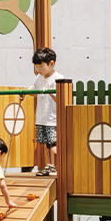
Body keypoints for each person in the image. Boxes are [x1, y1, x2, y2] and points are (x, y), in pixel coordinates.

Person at [28, 47, 69, 176]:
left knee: (53, 143)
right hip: (42, 117)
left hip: (53, 117)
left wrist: (50, 92)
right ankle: (49, 165)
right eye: (36, 67)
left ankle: (54, 166)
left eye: (41, 66)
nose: (38, 70)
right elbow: (33, 90)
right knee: (46, 143)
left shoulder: (58, 78)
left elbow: (61, 99)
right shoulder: (39, 78)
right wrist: (25, 93)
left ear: (51, 64)